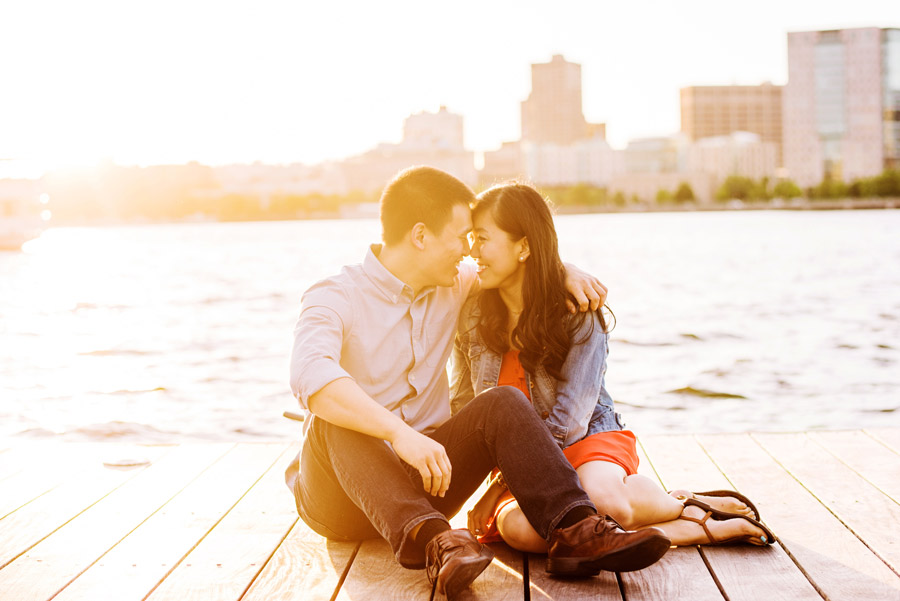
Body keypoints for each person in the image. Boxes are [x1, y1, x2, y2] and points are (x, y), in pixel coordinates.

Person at [287, 166, 671, 599]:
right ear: (420, 236)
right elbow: (311, 377)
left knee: (501, 401)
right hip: (340, 499)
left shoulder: (454, 284)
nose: (468, 251)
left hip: (428, 480)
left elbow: (519, 263)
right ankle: (437, 543)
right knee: (334, 418)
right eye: (461, 237)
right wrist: (399, 434)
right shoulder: (334, 295)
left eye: (475, 238)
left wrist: (565, 268)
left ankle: (576, 531)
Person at [451, 182, 775, 552]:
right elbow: (464, 406)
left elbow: (571, 420)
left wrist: (497, 488)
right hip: (518, 462)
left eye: (481, 238)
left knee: (604, 504)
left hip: (585, 438)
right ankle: (690, 527)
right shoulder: (473, 314)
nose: (471, 251)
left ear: (523, 246)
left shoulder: (577, 313)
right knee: (521, 532)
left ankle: (688, 510)